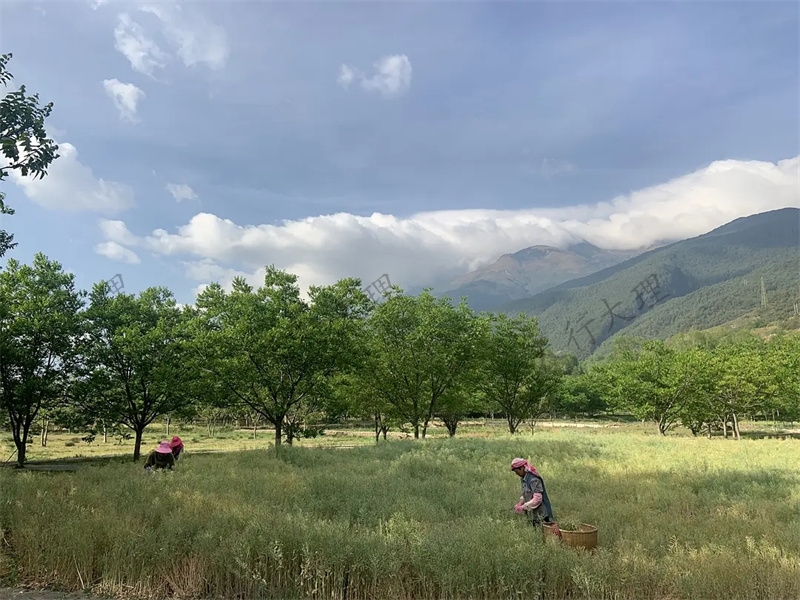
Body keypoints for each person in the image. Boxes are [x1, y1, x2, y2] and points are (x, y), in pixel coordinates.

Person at [510, 457, 555, 527]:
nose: (516, 474)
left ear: (522, 468)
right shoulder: (523, 479)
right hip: (532, 515)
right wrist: (520, 502)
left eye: (517, 471)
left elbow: (537, 499)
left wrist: (523, 507)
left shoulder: (533, 479)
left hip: (541, 515)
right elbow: (526, 493)